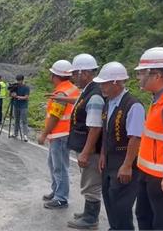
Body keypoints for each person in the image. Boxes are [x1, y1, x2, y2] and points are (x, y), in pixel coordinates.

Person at [94, 61, 145, 230]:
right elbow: (106, 131)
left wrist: (127, 165)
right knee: (109, 198)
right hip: (110, 160)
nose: (101, 87)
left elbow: (135, 138)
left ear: (116, 82)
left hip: (124, 161)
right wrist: (102, 154)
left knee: (122, 204)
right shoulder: (109, 102)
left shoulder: (133, 105)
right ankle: (114, 228)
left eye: (104, 83)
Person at [62, 54, 104, 229]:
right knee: (88, 180)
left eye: (75, 74)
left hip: (91, 149)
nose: (73, 77)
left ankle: (91, 218)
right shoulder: (90, 90)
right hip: (87, 146)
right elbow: (80, 102)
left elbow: (95, 128)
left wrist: (86, 152)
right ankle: (88, 212)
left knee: (91, 182)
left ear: (84, 73)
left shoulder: (94, 95)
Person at [134, 47, 163, 230]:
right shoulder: (158, 99)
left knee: (162, 222)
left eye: (142, 73)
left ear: (157, 75)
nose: (139, 78)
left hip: (161, 177)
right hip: (147, 173)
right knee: (143, 215)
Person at [38, 59, 80, 209]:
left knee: (59, 166)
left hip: (60, 135)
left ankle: (61, 197)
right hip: (62, 134)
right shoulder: (71, 88)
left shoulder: (62, 93)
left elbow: (55, 117)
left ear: (55, 75)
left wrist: (43, 134)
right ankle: (56, 190)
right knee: (53, 163)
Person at [10, 74, 30, 142]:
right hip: (16, 105)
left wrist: (17, 96)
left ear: (22, 80)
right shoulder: (15, 86)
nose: (18, 82)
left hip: (23, 106)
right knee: (16, 120)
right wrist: (12, 94)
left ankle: (25, 135)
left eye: (20, 80)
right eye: (17, 80)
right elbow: (10, 94)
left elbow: (26, 97)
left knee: (24, 121)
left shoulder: (26, 87)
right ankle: (15, 133)